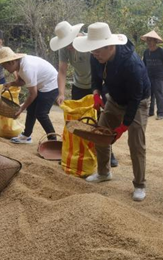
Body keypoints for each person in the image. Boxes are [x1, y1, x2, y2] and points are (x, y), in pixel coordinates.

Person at [73, 22, 151, 201]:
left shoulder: (132, 64)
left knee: (136, 143)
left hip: (138, 102)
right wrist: (96, 93)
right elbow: (96, 78)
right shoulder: (96, 56)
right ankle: (103, 172)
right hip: (115, 99)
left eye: (98, 50)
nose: (94, 54)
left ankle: (139, 185)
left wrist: (124, 126)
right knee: (100, 133)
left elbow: (135, 98)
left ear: (110, 46)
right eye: (92, 50)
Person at [50, 21, 118, 167]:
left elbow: (102, 68)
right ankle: (81, 151)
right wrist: (61, 93)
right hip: (79, 86)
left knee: (101, 119)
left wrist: (99, 91)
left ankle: (108, 153)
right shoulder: (64, 49)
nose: (68, 46)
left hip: (97, 86)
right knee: (79, 121)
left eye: (69, 43)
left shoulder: (90, 43)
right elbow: (62, 71)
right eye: (65, 44)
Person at [0, 47, 59, 144]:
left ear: (11, 62)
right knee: (31, 109)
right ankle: (26, 136)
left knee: (41, 113)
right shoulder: (19, 65)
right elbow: (21, 82)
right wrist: (10, 84)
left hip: (51, 84)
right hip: (42, 84)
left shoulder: (27, 68)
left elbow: (33, 93)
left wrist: (21, 108)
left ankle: (53, 140)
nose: (5, 69)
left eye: (5, 66)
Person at [141, 30, 163, 120]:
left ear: (155, 41)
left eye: (151, 40)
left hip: (158, 76)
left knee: (159, 94)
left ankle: (161, 113)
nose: (149, 42)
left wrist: (161, 72)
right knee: (150, 94)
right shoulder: (146, 52)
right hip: (148, 76)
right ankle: (150, 111)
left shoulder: (161, 52)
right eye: (148, 40)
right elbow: (144, 64)